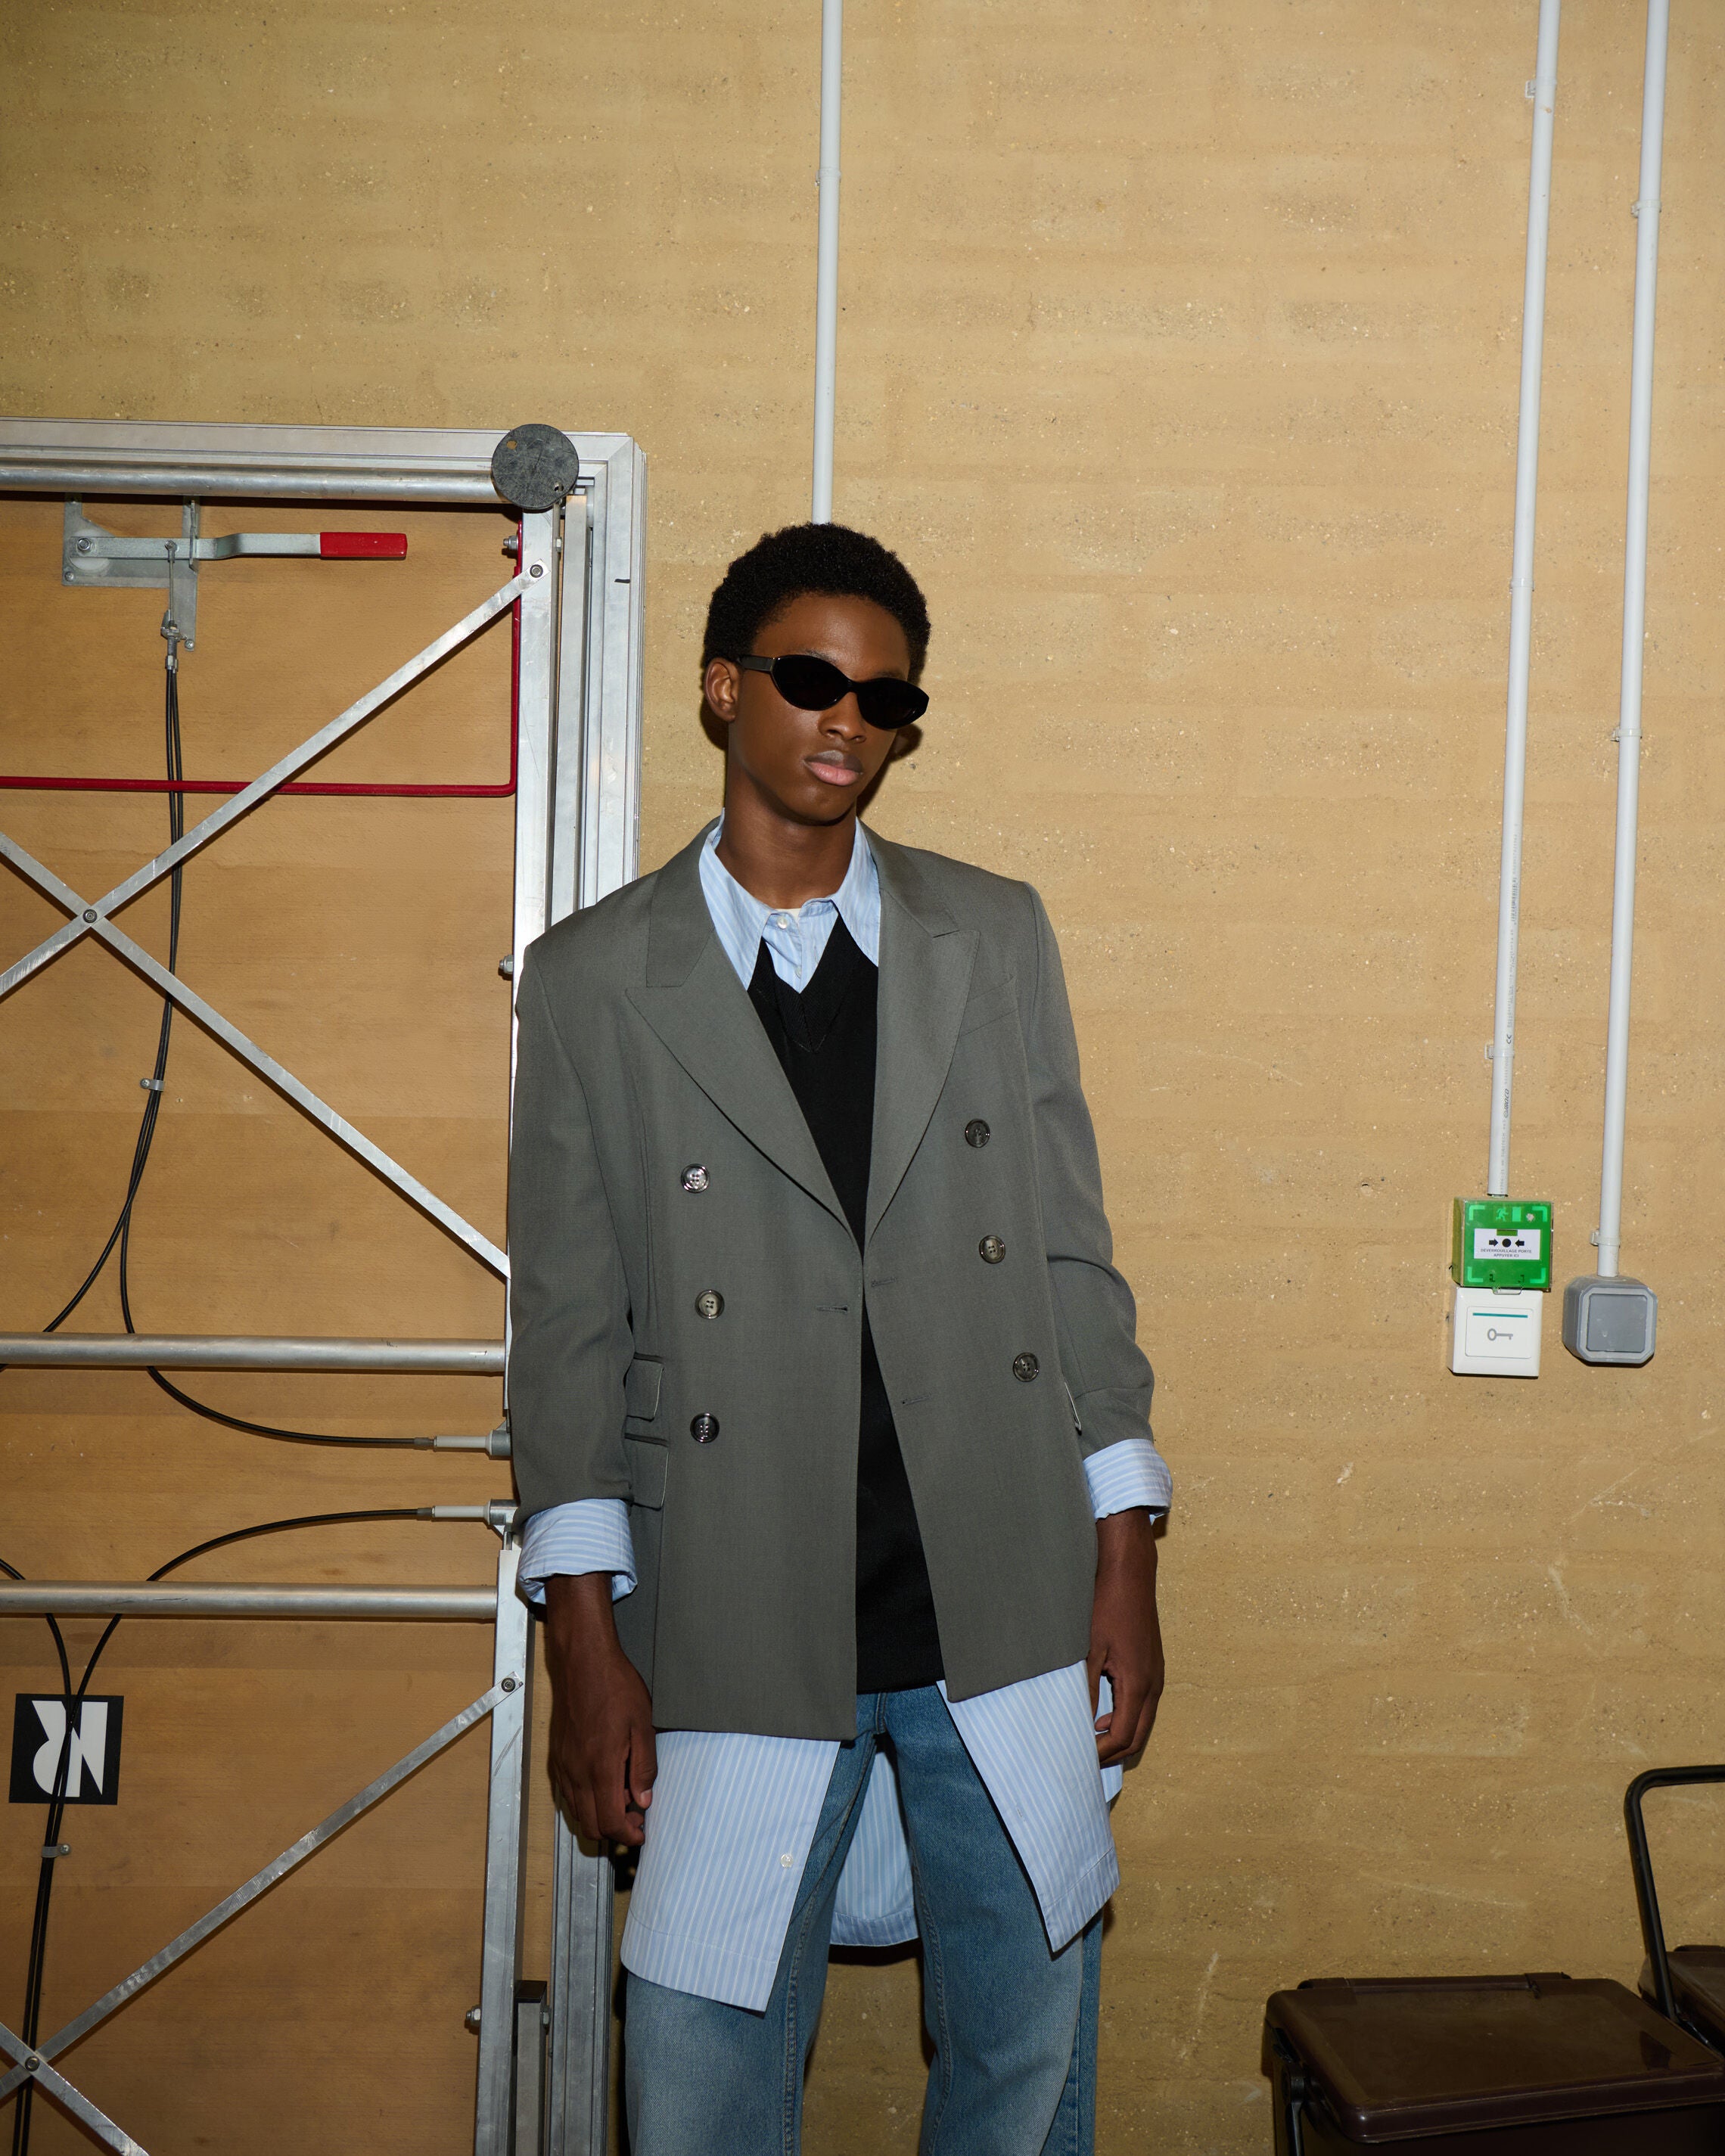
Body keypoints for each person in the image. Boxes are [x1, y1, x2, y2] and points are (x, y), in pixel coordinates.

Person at [507, 521, 1170, 2155]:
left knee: (1025, 2062)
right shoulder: (595, 979)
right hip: (727, 1601)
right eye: (812, 679)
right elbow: (569, 1331)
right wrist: (585, 1643)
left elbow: (1072, 1260)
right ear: (723, 688)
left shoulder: (988, 935)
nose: (847, 721)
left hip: (995, 1593)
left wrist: (1127, 1554)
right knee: (700, 2076)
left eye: (887, 698)